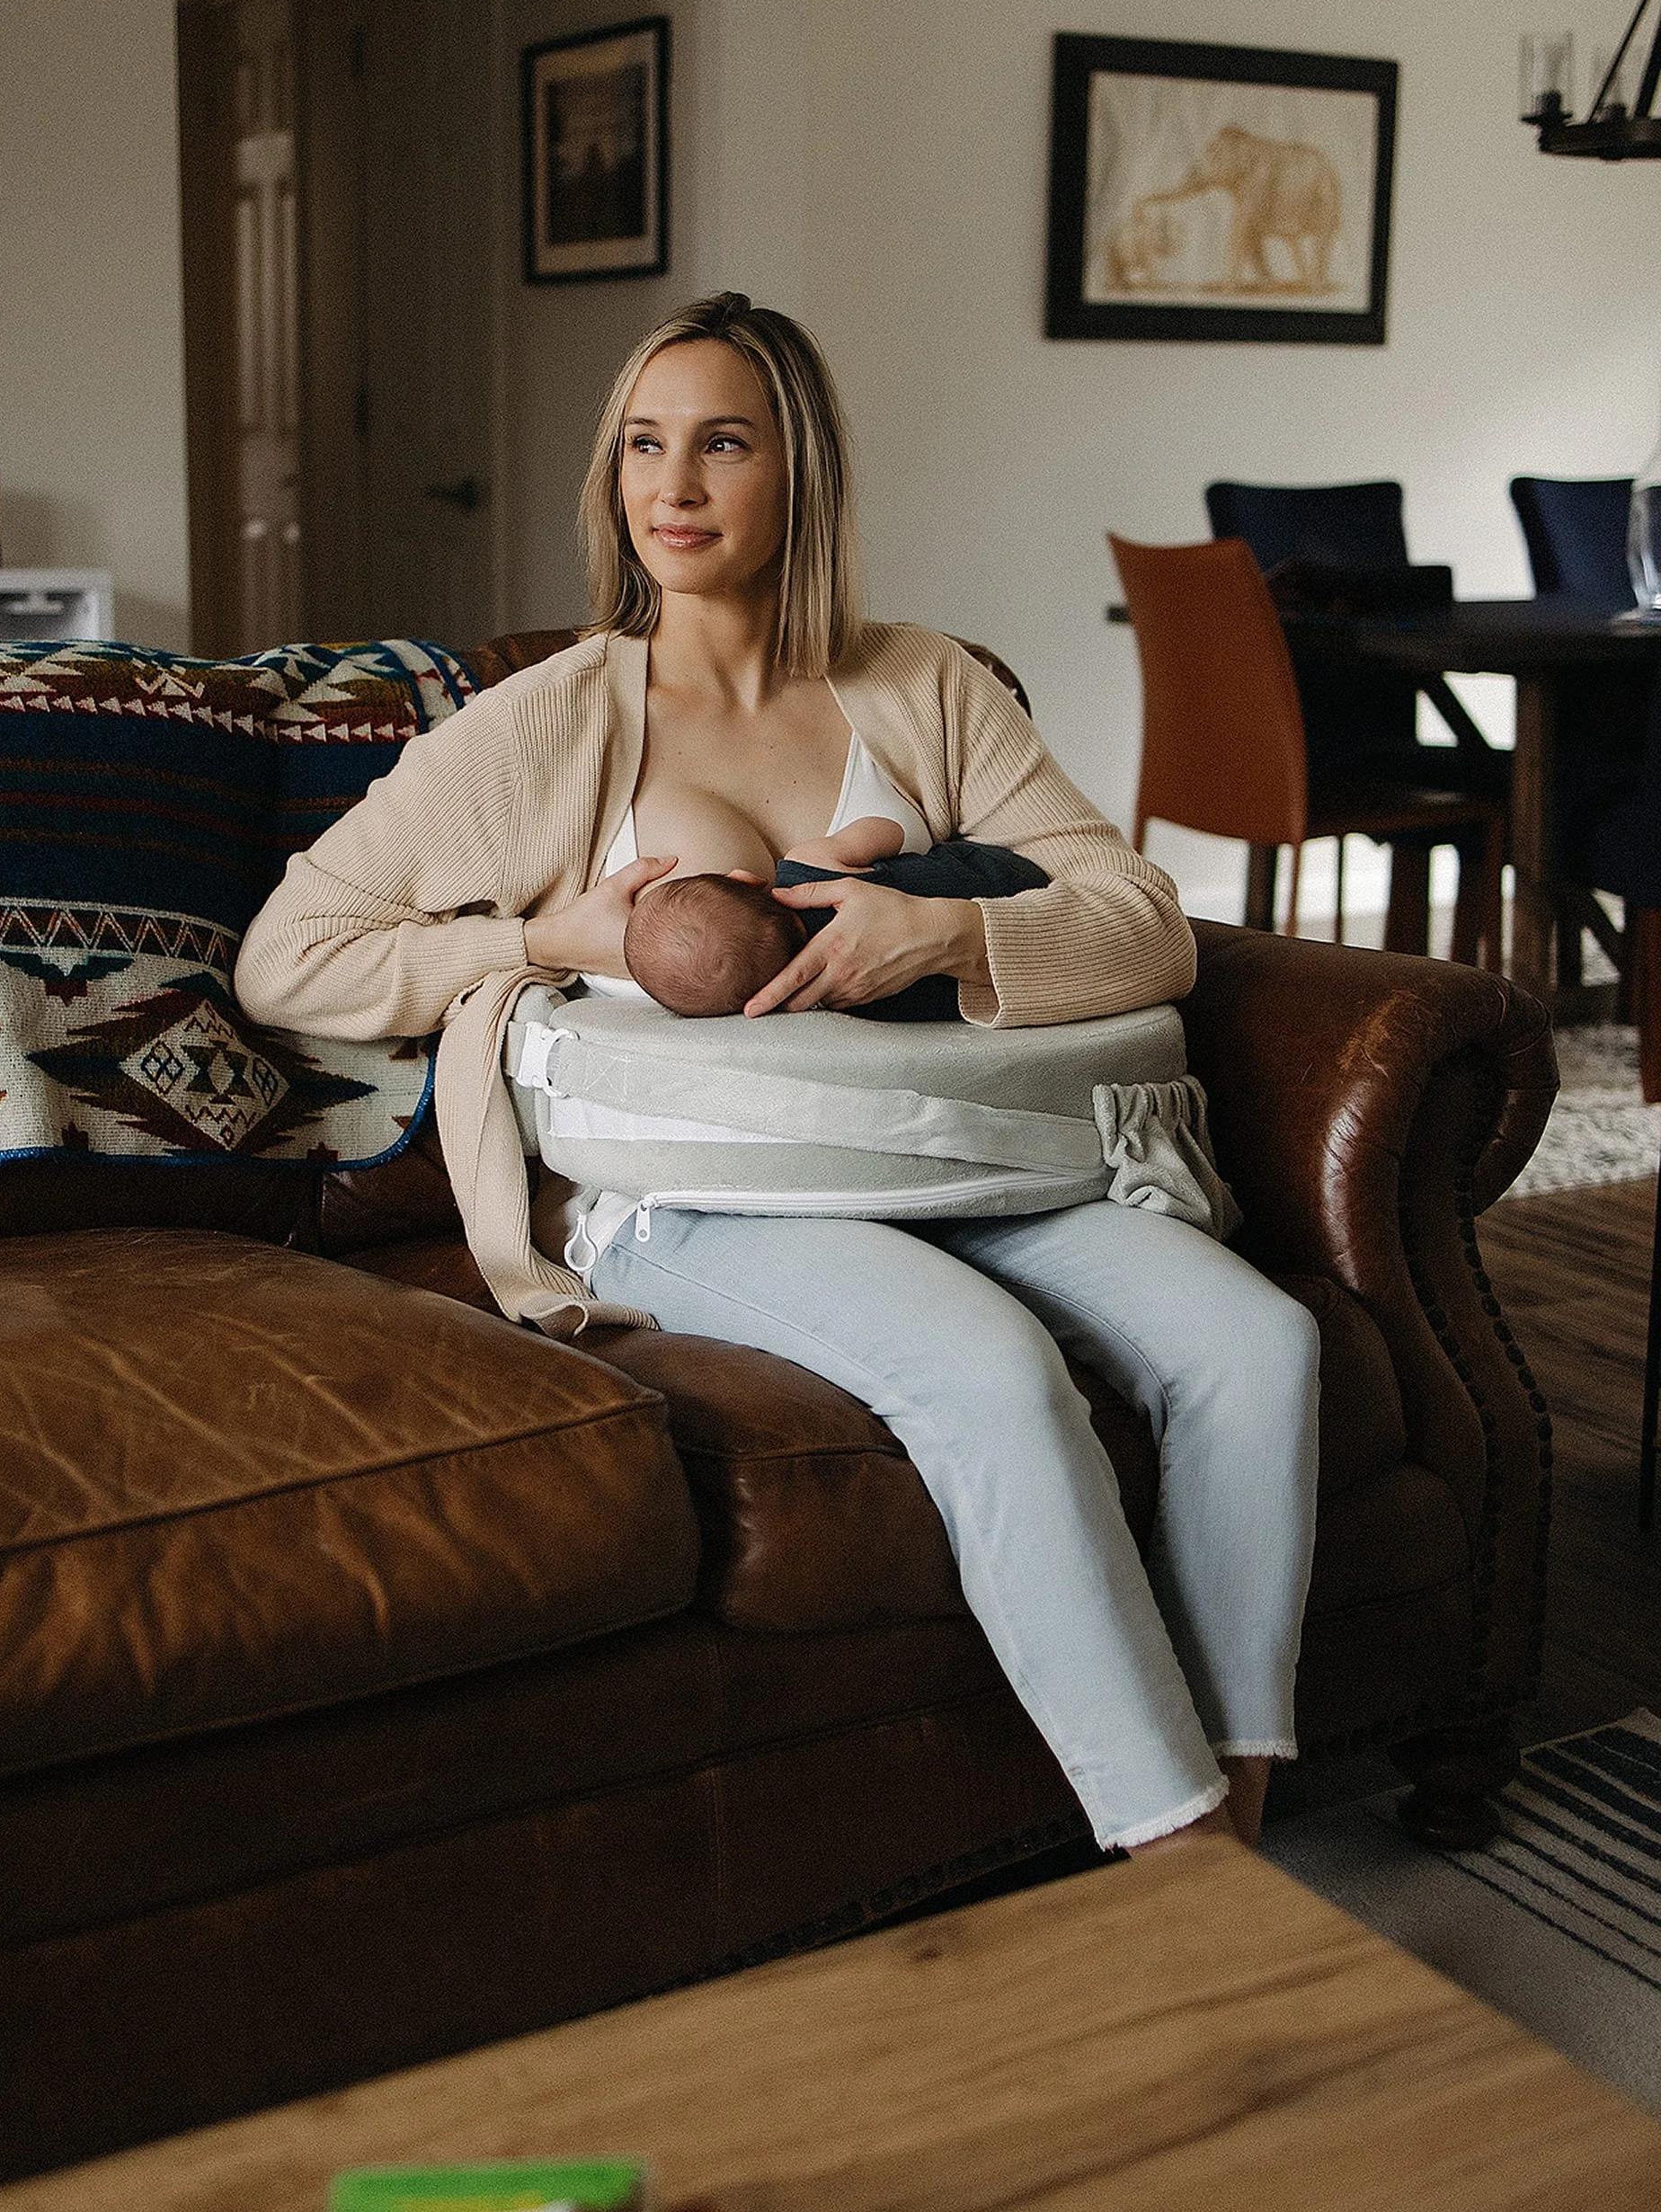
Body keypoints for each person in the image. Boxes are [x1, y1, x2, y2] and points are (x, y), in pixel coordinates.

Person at [235, 290, 1319, 1861]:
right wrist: (549, 932)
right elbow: (293, 956)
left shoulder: (927, 685)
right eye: (643, 445)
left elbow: (1144, 920)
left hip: (969, 1160)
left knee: (1259, 1344)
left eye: (721, 444)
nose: (672, 486)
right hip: (701, 1203)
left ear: (798, 474)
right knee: (998, 1379)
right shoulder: (548, 726)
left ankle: (1248, 1797)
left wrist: (941, 933)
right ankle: (1182, 1857)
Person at [620, 814, 1048, 1018]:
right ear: (745, 879)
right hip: (1004, 873)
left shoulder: (840, 1001)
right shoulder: (808, 865)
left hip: (998, 977)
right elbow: (887, 829)